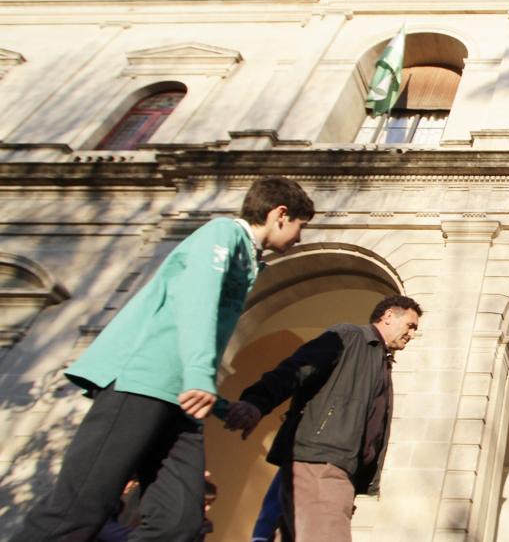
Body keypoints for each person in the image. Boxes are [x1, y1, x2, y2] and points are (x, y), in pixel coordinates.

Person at [19, 176, 315, 542]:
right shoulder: (222, 234)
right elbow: (197, 300)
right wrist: (198, 375)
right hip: (139, 384)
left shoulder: (250, 259)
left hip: (178, 403)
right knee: (78, 509)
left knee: (179, 524)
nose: (300, 238)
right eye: (301, 227)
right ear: (280, 214)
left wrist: (222, 407)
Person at [224, 295, 422, 542]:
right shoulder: (350, 337)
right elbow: (298, 368)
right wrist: (256, 402)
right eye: (411, 326)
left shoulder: (381, 362)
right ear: (389, 316)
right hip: (322, 461)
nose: (412, 335)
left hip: (338, 469)